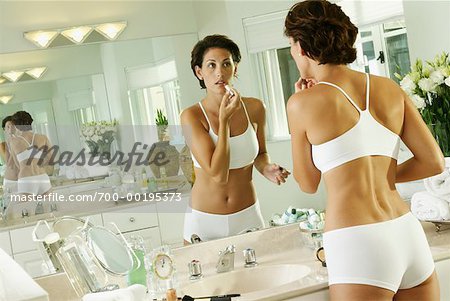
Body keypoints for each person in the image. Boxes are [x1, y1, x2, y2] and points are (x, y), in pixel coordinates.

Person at [285, 1, 444, 300]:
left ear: (302, 46)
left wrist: (299, 108)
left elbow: (307, 183)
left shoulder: (302, 103)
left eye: (292, 44)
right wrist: (377, 175)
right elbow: (433, 162)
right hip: (406, 233)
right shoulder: (389, 89)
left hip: (358, 239)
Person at [181, 34, 290, 243]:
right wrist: (224, 121)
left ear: (235, 68)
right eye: (211, 65)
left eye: (226, 64)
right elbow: (217, 175)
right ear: (199, 72)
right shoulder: (191, 116)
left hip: (247, 215)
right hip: (204, 221)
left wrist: (266, 168)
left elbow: (260, 153)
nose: (219, 72)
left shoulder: (255, 108)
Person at [8, 111, 53, 197]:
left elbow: (18, 165)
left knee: (27, 210)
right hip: (42, 177)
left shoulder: (13, 141)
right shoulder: (43, 138)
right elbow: (50, 158)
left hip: (26, 179)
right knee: (49, 208)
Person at [1, 116, 19, 193]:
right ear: (4, 130)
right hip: (11, 182)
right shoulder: (3, 145)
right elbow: (9, 163)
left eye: (13, 126)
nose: (11, 129)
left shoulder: (22, 142)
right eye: (8, 126)